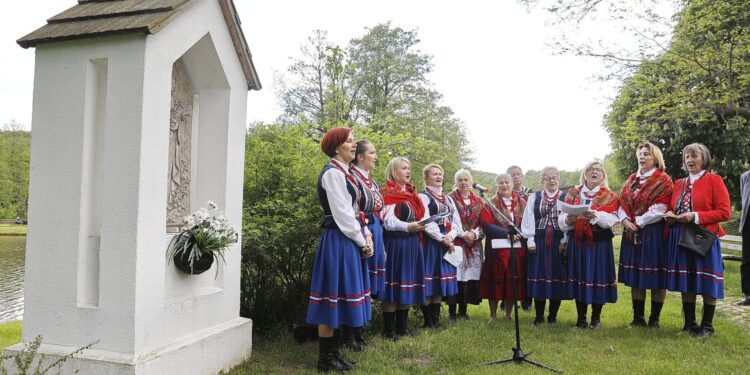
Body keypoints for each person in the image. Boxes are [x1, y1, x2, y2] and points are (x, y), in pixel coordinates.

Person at [306, 127, 373, 372]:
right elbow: (344, 216)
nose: (354, 145)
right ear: (336, 147)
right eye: (349, 141)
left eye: (355, 141)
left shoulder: (346, 173)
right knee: (331, 297)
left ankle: (333, 353)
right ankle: (325, 359)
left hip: (348, 239)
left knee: (341, 295)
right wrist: (361, 239)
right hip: (338, 239)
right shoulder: (333, 174)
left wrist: (366, 235)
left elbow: (357, 212)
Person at [664, 143, 731, 336]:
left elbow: (724, 212)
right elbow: (674, 207)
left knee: (708, 281)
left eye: (694, 156)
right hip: (681, 235)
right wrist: (672, 215)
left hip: (705, 237)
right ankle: (689, 325)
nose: (690, 160)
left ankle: (707, 326)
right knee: (687, 280)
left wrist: (695, 216)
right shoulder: (679, 183)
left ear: (704, 159)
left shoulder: (714, 180)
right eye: (687, 157)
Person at [617, 142, 673, 328]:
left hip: (653, 233)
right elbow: (621, 203)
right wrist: (625, 221)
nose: (642, 157)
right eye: (640, 154)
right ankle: (638, 318)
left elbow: (661, 208)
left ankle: (654, 319)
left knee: (656, 276)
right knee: (635, 276)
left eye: (646, 154)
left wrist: (639, 222)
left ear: (655, 158)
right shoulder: (631, 179)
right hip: (630, 232)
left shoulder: (663, 179)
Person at [559, 161, 619, 329]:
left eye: (598, 170)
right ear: (584, 174)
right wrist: (568, 219)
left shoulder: (610, 196)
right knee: (580, 275)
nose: (594, 172)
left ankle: (596, 318)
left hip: (599, 243)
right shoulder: (572, 193)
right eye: (591, 170)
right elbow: (562, 218)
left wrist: (595, 216)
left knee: (598, 276)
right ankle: (581, 318)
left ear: (603, 176)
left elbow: (613, 219)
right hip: (578, 242)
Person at [379, 157, 427, 340]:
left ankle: (402, 328)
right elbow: (388, 221)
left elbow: (420, 216)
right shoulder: (387, 192)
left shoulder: (411, 194)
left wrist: (421, 225)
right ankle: (389, 331)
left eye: (409, 168)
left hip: (413, 243)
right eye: (404, 168)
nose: (408, 171)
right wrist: (409, 227)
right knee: (393, 285)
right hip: (396, 243)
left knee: (407, 284)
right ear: (393, 172)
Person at [344, 140, 385, 351]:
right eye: (372, 152)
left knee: (367, 286)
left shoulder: (372, 182)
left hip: (375, 230)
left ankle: (361, 329)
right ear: (360, 157)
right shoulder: (352, 179)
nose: (376, 156)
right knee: (358, 282)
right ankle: (350, 333)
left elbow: (378, 212)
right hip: (360, 229)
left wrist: (382, 243)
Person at [521, 166, 570, 325]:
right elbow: (528, 219)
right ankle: (539, 316)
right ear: (542, 181)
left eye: (554, 177)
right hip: (539, 240)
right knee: (538, 275)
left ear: (559, 179)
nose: (551, 180)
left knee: (557, 274)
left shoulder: (566, 196)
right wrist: (530, 240)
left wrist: (564, 241)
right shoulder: (534, 197)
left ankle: (552, 316)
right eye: (548, 177)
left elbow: (569, 219)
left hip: (557, 241)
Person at [418, 164, 464, 328]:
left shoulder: (448, 199)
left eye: (440, 174)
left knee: (439, 283)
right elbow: (426, 221)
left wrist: (450, 237)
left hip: (447, 242)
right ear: (426, 178)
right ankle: (427, 321)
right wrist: (442, 237)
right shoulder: (422, 197)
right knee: (429, 281)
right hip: (431, 242)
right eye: (434, 174)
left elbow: (457, 223)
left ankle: (435, 321)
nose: (438, 177)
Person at [479, 174, 527, 320]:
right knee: (494, 283)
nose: (504, 185)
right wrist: (507, 233)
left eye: (507, 182)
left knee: (512, 282)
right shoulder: (490, 203)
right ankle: (493, 315)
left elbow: (526, 222)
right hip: (497, 249)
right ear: (496, 186)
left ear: (512, 184)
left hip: (516, 248)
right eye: (501, 183)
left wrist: (519, 233)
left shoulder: (522, 202)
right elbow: (486, 225)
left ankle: (508, 314)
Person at [448, 169, 484, 320]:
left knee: (468, 277)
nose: (463, 182)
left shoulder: (479, 201)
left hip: (474, 244)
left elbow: (485, 222)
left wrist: (474, 234)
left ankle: (463, 311)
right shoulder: (449, 199)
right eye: (460, 180)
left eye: (466, 180)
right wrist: (463, 234)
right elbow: (447, 221)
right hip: (456, 242)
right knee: (455, 276)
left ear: (471, 182)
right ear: (456, 182)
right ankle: (452, 312)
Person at [508, 165, 533, 311]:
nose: (516, 177)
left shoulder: (531, 193)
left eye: (518, 174)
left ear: (522, 176)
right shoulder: (504, 194)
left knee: (526, 269)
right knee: (511, 269)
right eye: (513, 175)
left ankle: (527, 301)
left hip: (526, 236)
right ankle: (508, 300)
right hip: (510, 236)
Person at [738, 169, 750, 306]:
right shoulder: (745, 176)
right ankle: (748, 295)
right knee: (746, 259)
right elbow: (744, 198)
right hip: (747, 222)